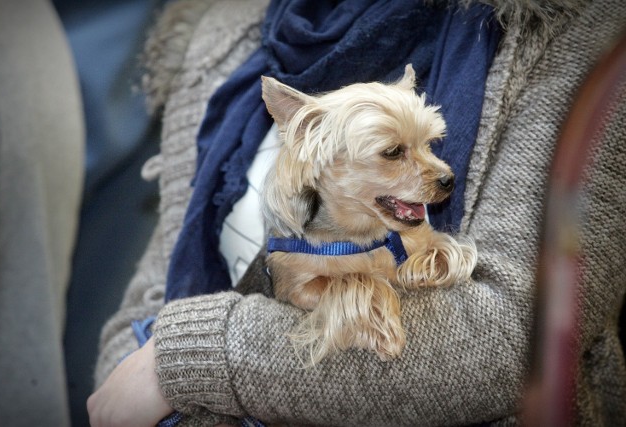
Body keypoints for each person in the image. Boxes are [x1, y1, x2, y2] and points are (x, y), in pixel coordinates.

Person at [88, 0, 626, 426]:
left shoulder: (579, 35)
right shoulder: (221, 32)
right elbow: (145, 309)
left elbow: (516, 341)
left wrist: (183, 361)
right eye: (393, 154)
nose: (436, 172)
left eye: (425, 148)